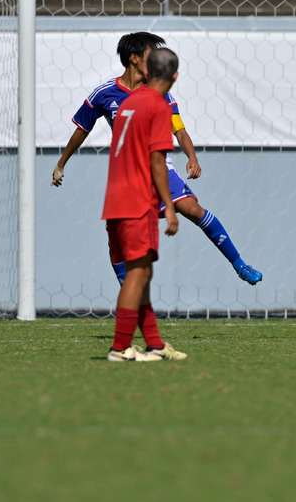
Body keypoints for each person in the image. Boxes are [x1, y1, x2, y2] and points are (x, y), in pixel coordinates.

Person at [51, 32, 262, 286]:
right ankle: (126, 288)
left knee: (193, 210)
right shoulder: (104, 94)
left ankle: (239, 264)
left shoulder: (160, 92)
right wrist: (61, 163)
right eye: (152, 55)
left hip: (159, 166)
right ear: (135, 59)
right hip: (127, 173)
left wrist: (192, 156)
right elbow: (82, 129)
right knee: (116, 233)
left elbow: (179, 129)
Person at [104, 48, 187, 362]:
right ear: (174, 76)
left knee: (142, 274)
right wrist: (169, 206)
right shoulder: (157, 106)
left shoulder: (128, 102)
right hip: (137, 201)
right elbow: (157, 161)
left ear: (147, 71)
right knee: (137, 275)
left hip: (114, 200)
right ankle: (120, 348)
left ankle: (153, 344)